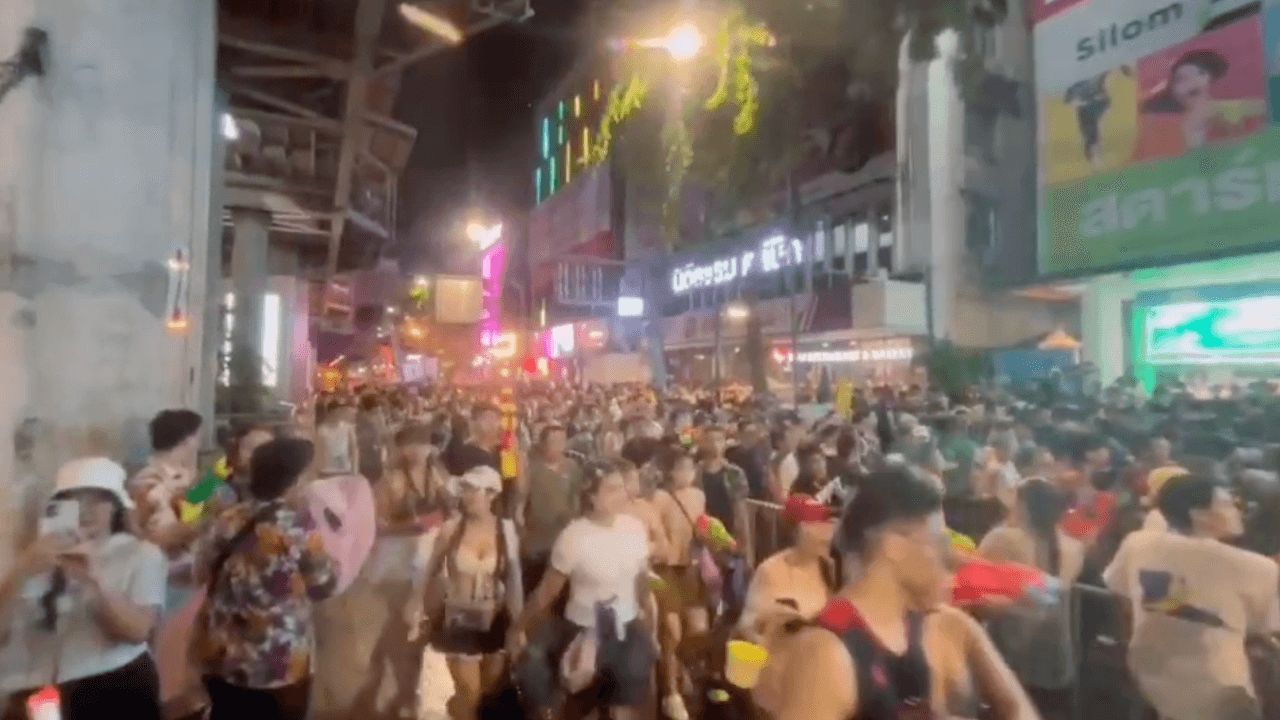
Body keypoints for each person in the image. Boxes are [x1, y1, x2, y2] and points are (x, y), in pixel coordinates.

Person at [755, 467, 1037, 720]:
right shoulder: (828, 655)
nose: (948, 559)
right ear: (895, 546)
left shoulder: (950, 626)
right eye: (939, 543)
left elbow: (1019, 709)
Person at [0, 458, 167, 720]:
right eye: (74, 499)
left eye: (97, 499)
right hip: (40, 691)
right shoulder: (38, 557)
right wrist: (22, 571)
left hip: (112, 685)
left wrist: (93, 582)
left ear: (115, 505)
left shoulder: (139, 554)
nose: (86, 508)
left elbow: (138, 630)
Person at [1104, 474, 1277, 720]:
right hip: (1223, 690)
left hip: (1149, 674)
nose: (1238, 510)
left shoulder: (1138, 543)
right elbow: (1262, 627)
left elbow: (1120, 591)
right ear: (1199, 515)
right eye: (1228, 504)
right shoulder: (1257, 567)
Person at [195, 438, 338, 720]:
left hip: (224, 655)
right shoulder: (298, 526)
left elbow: (202, 570)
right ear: (295, 481)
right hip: (278, 661)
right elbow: (323, 586)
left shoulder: (228, 517)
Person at [511, 459, 655, 720]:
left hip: (626, 630)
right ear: (591, 496)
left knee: (624, 708)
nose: (621, 495)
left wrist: (650, 623)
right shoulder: (573, 536)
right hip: (580, 631)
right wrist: (518, 628)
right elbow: (547, 592)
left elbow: (642, 581)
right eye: (611, 489)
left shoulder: (634, 528)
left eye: (621, 487)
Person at [419, 467, 522, 720]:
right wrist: (417, 606)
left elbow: (514, 580)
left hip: (494, 620)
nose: (465, 496)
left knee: (489, 694)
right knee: (470, 693)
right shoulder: (452, 529)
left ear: (491, 495)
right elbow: (428, 570)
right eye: (464, 490)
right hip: (459, 621)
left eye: (472, 491)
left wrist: (518, 626)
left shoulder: (506, 530)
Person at [980, 478, 1083, 720]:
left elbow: (976, 583)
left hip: (1008, 651)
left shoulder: (1002, 539)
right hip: (1053, 657)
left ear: (1022, 506)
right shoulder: (1074, 547)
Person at [651, 450, 708, 720]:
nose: (686, 473)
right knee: (671, 631)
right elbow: (654, 532)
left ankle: (681, 669)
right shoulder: (660, 498)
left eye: (690, 468)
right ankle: (671, 693)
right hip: (666, 570)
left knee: (698, 628)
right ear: (670, 472)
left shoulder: (698, 496)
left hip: (691, 569)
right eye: (681, 468)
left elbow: (702, 527)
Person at [738, 494, 836, 644]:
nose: (824, 534)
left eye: (824, 523)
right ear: (794, 532)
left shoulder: (832, 570)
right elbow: (746, 628)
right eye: (813, 525)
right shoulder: (771, 571)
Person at [1137, 49, 1266, 160]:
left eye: (1200, 73)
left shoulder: (1235, 110)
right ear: (1173, 91)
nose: (1192, 81)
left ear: (1210, 79)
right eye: (1180, 79)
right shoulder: (1165, 128)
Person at [519, 425, 583, 594]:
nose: (559, 446)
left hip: (564, 543)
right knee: (534, 590)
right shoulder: (529, 468)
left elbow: (578, 498)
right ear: (542, 444)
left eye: (562, 441)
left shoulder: (572, 467)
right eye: (553, 441)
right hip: (536, 545)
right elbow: (518, 497)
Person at [130, 409, 204, 555]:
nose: (199, 443)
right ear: (185, 439)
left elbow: (197, 505)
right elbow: (143, 535)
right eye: (197, 436)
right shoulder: (147, 481)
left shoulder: (186, 475)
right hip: (164, 561)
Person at [697, 426, 753, 566]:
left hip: (728, 536)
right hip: (701, 538)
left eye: (719, 440)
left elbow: (741, 510)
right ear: (702, 443)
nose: (714, 444)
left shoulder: (733, 473)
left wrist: (746, 547)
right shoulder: (695, 473)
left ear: (725, 443)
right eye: (710, 440)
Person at [316, 401, 359, 477]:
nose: (337, 414)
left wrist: (354, 470)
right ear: (329, 413)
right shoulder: (321, 430)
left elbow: (354, 449)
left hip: (345, 470)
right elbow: (318, 452)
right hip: (327, 471)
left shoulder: (348, 428)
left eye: (339, 412)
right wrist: (318, 471)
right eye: (334, 412)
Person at [356, 394, 389, 483]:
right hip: (377, 449)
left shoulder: (362, 417)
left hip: (366, 452)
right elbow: (384, 432)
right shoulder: (379, 415)